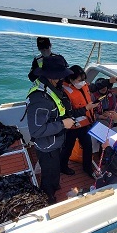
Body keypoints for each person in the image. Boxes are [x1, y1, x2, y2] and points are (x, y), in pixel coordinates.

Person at [26, 55, 75, 203]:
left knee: (54, 168)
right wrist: (63, 124)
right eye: (60, 77)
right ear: (53, 76)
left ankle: (54, 185)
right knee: (48, 172)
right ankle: (48, 196)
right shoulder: (40, 98)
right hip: (47, 146)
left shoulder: (50, 88)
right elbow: (36, 130)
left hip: (54, 141)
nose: (62, 80)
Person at [60, 65, 99, 177]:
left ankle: (87, 168)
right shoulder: (64, 92)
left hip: (84, 124)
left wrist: (109, 82)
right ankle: (63, 167)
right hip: (71, 126)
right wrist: (86, 108)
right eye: (79, 80)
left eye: (83, 80)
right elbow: (68, 114)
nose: (82, 82)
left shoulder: (84, 86)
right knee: (68, 147)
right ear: (71, 79)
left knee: (88, 146)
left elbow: (94, 87)